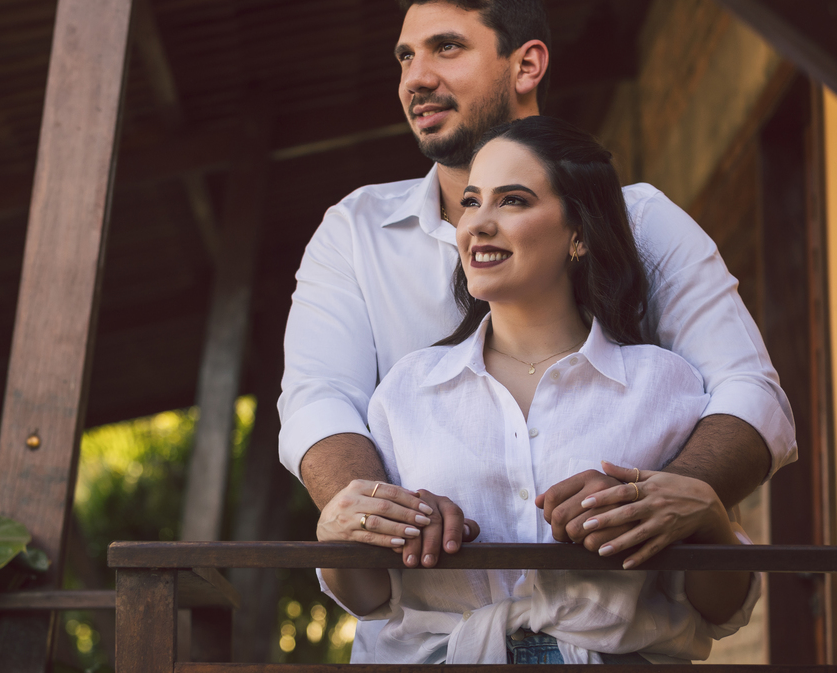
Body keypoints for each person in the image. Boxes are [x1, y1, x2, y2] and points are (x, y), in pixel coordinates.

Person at [278, 0, 795, 656]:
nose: (415, 78)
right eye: (405, 56)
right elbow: (318, 400)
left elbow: (751, 394)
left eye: (447, 48)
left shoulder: (644, 225)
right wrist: (384, 520)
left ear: (527, 65)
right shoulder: (355, 231)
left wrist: (677, 501)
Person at [317, 117, 758, 663]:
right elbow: (370, 598)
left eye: (514, 201)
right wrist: (335, 531)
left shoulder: (664, 385)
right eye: (472, 202)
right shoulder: (407, 391)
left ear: (579, 234)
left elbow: (721, 611)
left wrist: (709, 516)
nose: (478, 223)